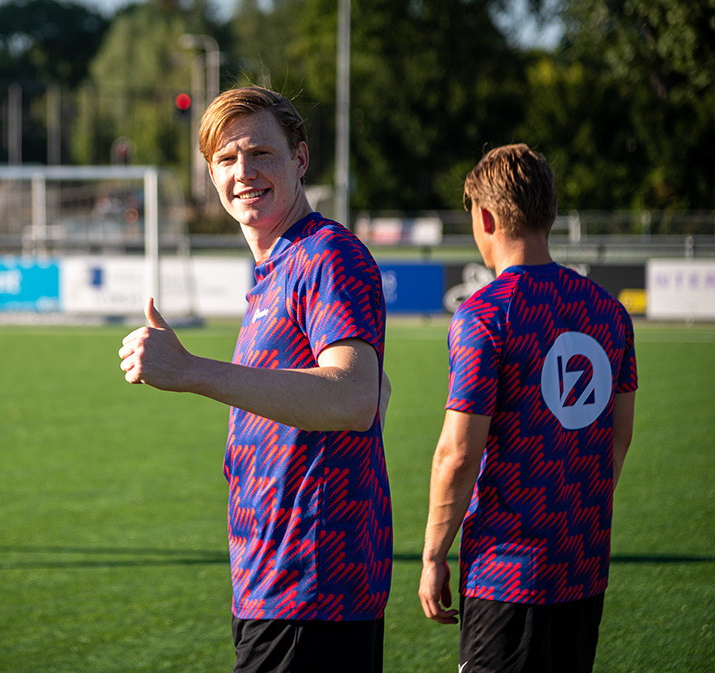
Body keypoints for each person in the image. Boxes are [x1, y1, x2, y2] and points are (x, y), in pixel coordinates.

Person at [119, 86, 392, 673]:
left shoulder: (326, 255)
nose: (243, 172)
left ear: (300, 158)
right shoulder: (278, 267)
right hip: (276, 584)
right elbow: (379, 390)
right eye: (225, 159)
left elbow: (354, 398)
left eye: (261, 153)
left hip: (310, 592)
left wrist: (190, 370)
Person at [418, 144, 637, 672]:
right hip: (583, 565)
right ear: (550, 214)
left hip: (507, 572)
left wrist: (432, 555)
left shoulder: (484, 315)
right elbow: (617, 437)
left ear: (486, 218)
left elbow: (457, 455)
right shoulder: (608, 311)